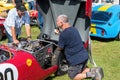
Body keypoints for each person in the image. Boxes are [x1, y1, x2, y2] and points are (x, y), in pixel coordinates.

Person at [54, 14, 103, 80]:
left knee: (72, 75)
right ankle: (95, 70)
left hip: (76, 60)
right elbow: (68, 36)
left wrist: (55, 50)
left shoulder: (63, 35)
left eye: (57, 21)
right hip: (84, 55)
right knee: (81, 70)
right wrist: (60, 33)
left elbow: (60, 48)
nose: (56, 23)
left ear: (61, 23)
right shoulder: (74, 29)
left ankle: (92, 74)